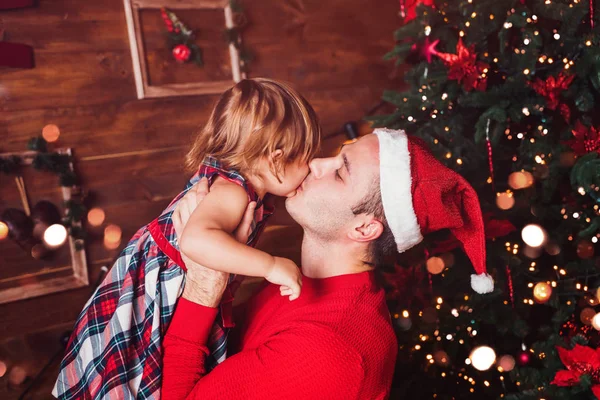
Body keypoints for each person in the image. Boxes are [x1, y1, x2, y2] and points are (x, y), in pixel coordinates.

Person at [160, 128, 494, 399]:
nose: (315, 164)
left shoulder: (329, 353)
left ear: (364, 228)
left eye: (340, 173)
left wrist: (204, 284)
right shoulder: (290, 276)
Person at [53, 78, 321, 400]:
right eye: (305, 156)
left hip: (166, 284)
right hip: (157, 291)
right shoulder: (234, 192)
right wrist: (271, 265)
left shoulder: (239, 187)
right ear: (276, 159)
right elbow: (196, 241)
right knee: (133, 368)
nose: (311, 166)